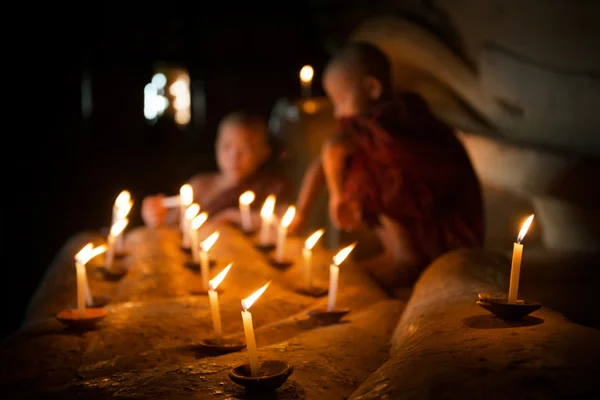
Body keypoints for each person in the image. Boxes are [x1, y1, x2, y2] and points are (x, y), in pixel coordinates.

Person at [289, 41, 484, 290]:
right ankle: (396, 254)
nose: (337, 113)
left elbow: (332, 149)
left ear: (372, 88)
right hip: (441, 200)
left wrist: (337, 196)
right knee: (356, 164)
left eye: (340, 101)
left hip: (436, 209)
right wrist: (302, 211)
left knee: (366, 170)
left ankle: (405, 256)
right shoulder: (399, 116)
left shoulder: (386, 125)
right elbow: (322, 162)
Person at [142, 111, 291, 228]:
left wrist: (231, 216)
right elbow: (170, 226)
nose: (234, 158)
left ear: (263, 152)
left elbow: (285, 221)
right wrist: (155, 215)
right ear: (216, 146)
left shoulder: (271, 187)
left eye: (245, 149)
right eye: (226, 147)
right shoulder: (200, 185)